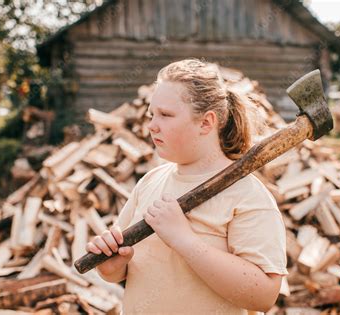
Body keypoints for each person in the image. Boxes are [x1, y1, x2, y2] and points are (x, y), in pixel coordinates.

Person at [85, 59, 288, 314]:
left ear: (206, 123)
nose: (151, 125)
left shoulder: (247, 196)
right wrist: (112, 265)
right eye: (152, 114)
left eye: (166, 115)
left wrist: (184, 240)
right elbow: (122, 270)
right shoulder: (151, 182)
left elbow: (263, 295)